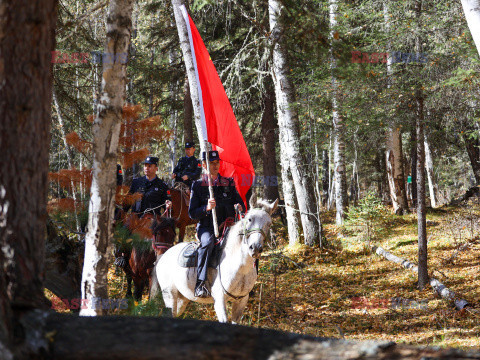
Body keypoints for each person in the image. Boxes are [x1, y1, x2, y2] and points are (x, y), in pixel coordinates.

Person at [188, 150, 245, 298]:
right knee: (207, 243)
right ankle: (200, 284)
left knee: (247, 242)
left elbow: (240, 203)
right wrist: (206, 208)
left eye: (217, 163)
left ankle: (246, 284)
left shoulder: (228, 183)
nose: (215, 166)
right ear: (204, 165)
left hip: (228, 227)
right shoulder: (198, 185)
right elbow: (192, 213)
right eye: (211, 163)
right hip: (207, 227)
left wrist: (239, 207)